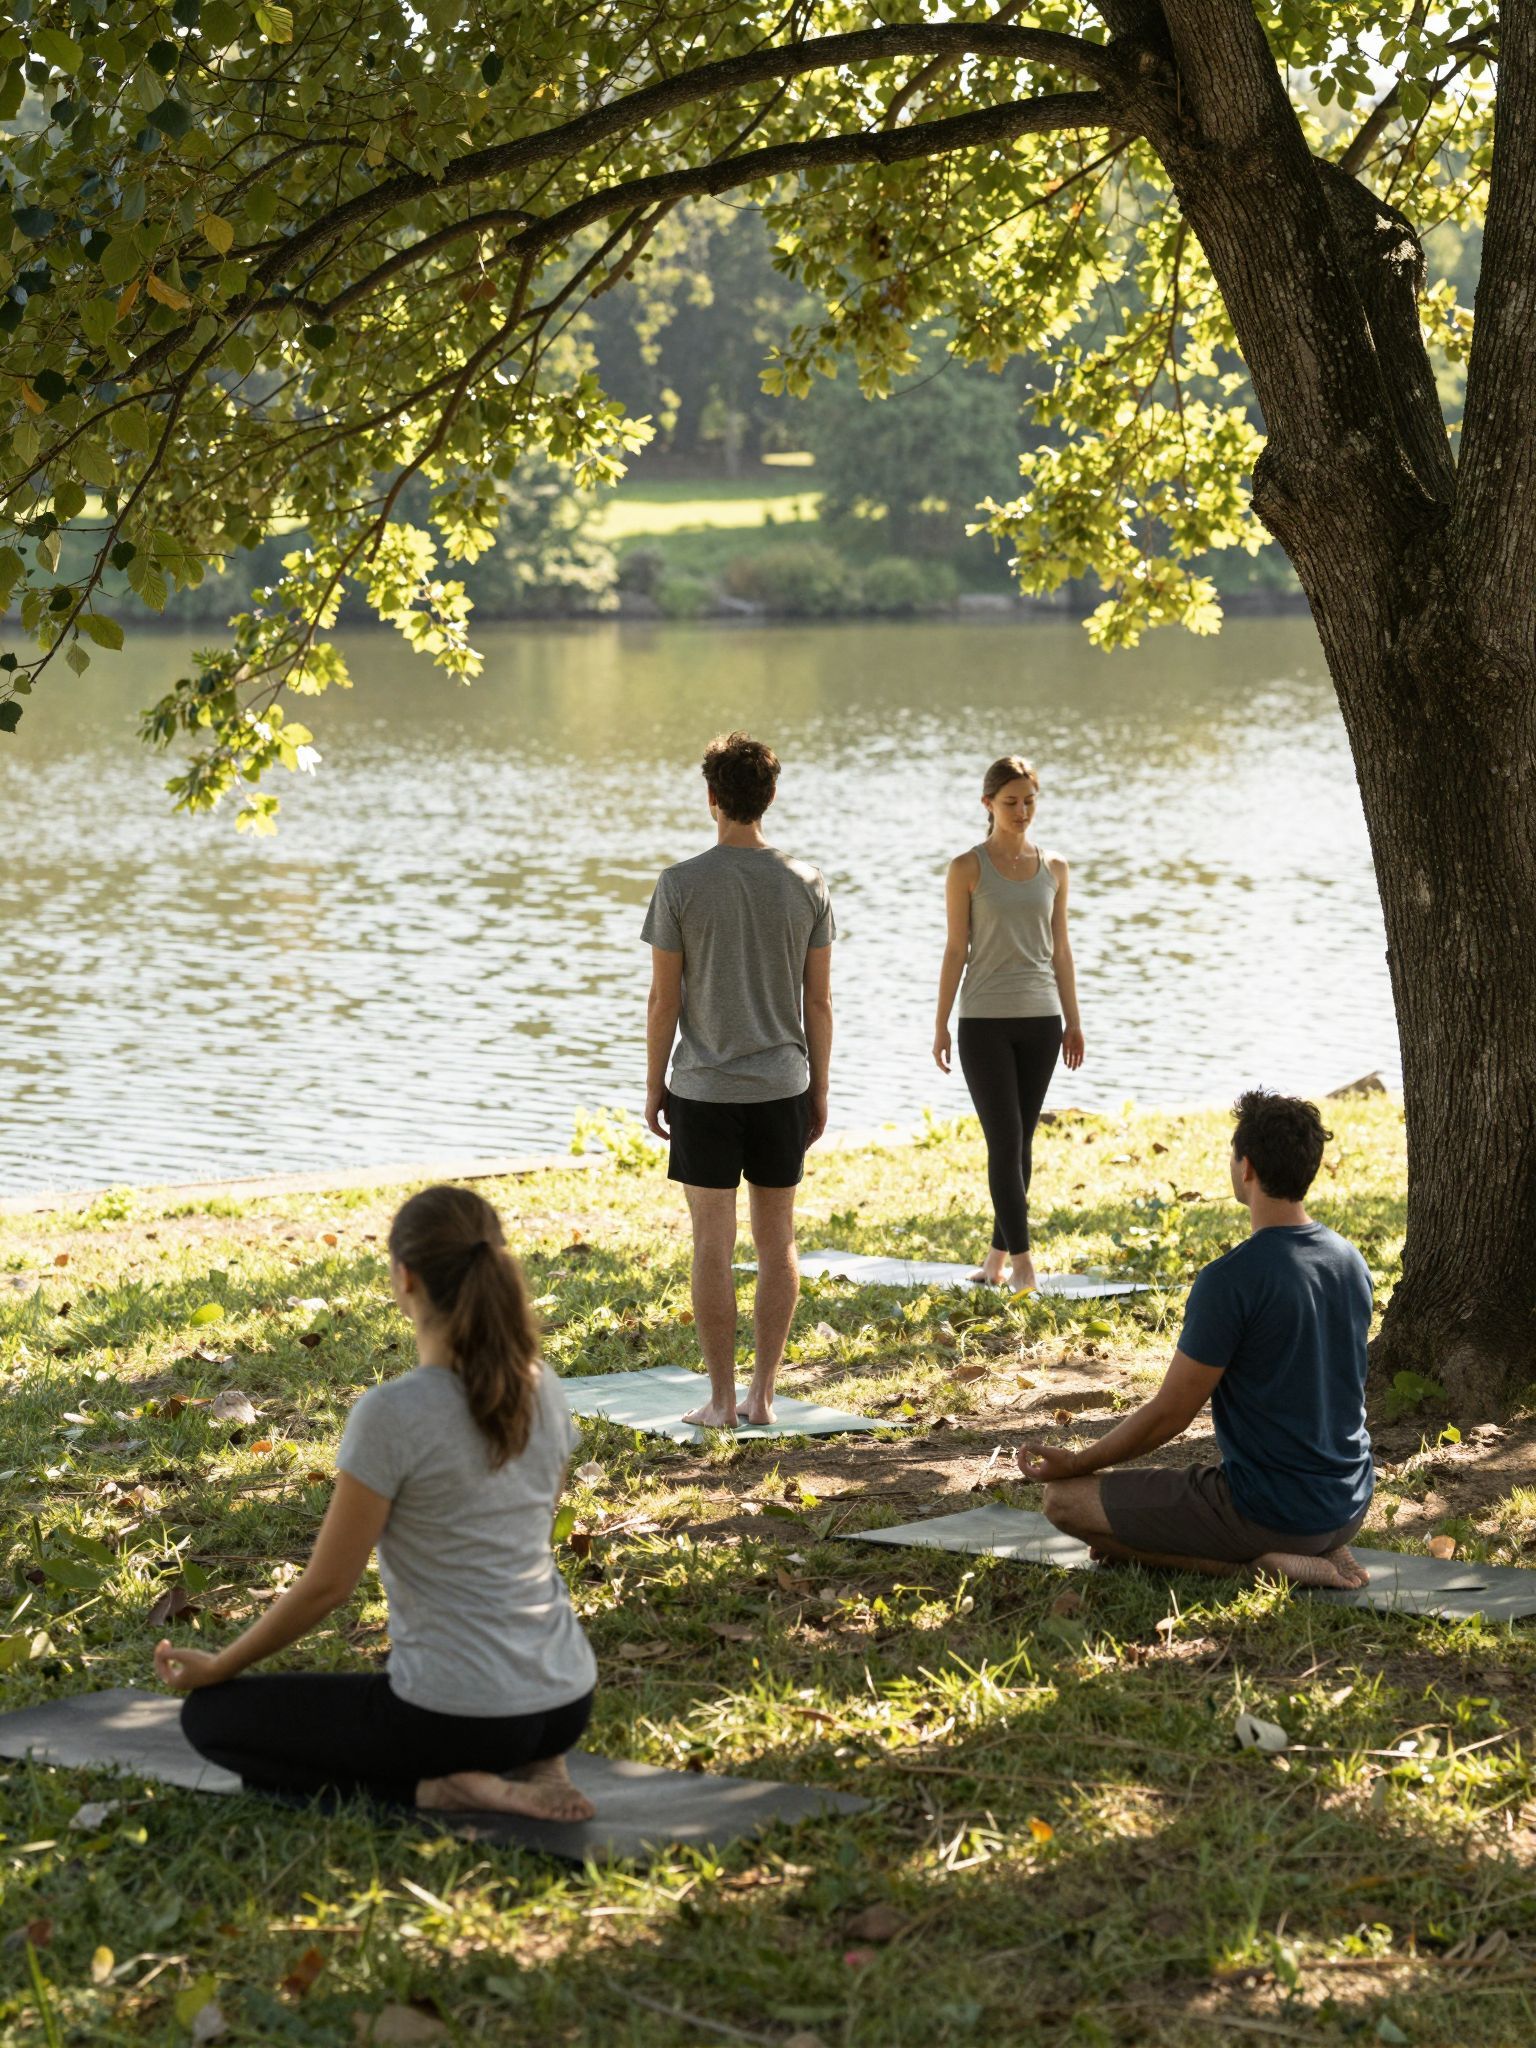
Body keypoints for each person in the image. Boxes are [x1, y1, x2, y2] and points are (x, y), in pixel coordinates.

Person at [154, 1185, 599, 1821]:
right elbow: (532, 1528)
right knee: (421, 1684)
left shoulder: (393, 1412)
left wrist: (220, 1666)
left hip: (460, 1720)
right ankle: (539, 1761)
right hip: (566, 1699)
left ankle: (447, 1789)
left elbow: (328, 1587)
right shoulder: (542, 1385)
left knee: (212, 1719)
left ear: (404, 1277)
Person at [1018, 1090, 1374, 1590]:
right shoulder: (1349, 1259)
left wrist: (1076, 1462)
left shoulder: (1231, 1280)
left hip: (1272, 1512)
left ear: (1246, 1167)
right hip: (1349, 1501)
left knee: (1064, 1502)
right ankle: (1316, 1544)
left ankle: (1257, 1567)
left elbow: (1171, 1414)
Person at [642, 731, 835, 1429]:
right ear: (770, 796)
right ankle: (764, 1398)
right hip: (783, 1087)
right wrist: (818, 1089)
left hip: (703, 1092)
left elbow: (664, 1000)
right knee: (777, 1242)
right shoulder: (807, 883)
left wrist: (654, 1085)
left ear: (711, 797)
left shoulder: (680, 884)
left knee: (712, 1245)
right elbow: (819, 1002)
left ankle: (721, 1402)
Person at [933, 754, 1084, 1289]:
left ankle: (997, 1260)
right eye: (1010, 802)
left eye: (1029, 801)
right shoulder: (967, 868)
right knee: (1004, 1139)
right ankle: (1023, 1266)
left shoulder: (1055, 868)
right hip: (983, 1022)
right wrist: (940, 1023)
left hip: (1041, 1020)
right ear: (988, 804)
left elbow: (1061, 950)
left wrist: (1073, 1020)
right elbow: (956, 950)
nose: (1021, 812)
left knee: (1021, 1143)